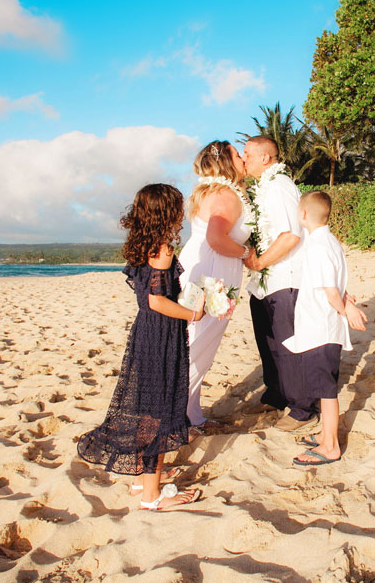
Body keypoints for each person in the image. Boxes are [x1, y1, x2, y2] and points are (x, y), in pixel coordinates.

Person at [77, 183, 205, 511]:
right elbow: (156, 301)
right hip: (161, 335)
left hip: (147, 333)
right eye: (178, 208)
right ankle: (152, 496)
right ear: (167, 213)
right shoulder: (161, 249)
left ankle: (141, 479)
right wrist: (194, 312)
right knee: (161, 412)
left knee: (148, 409)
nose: (182, 214)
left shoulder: (141, 245)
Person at [282, 191, 367, 466]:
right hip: (322, 326)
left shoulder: (318, 246)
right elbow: (336, 282)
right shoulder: (329, 241)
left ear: (304, 214)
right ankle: (325, 435)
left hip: (321, 327)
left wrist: (346, 308)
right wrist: (347, 298)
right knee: (323, 386)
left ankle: (331, 446)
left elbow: (331, 291)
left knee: (327, 390)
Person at [178, 141, 252, 433]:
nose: (243, 157)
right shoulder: (225, 195)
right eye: (237, 154)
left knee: (193, 343)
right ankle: (176, 418)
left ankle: (191, 415)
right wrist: (247, 254)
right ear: (225, 162)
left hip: (203, 267)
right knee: (197, 346)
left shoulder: (213, 192)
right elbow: (216, 239)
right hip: (210, 275)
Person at [240, 136, 313, 431]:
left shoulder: (280, 187)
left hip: (284, 278)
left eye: (247, 155)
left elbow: (291, 235)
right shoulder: (263, 189)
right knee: (267, 343)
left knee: (287, 345)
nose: (243, 160)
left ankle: (302, 408)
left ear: (266, 159)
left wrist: (259, 262)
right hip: (264, 283)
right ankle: (276, 394)